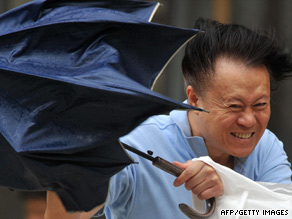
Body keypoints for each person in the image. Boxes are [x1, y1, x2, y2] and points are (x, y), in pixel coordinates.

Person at [45, 18, 292, 219]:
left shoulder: (265, 146)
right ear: (194, 99)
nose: (249, 121)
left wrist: (227, 185)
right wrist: (69, 166)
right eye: (235, 106)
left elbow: (282, 211)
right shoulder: (135, 144)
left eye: (260, 104)